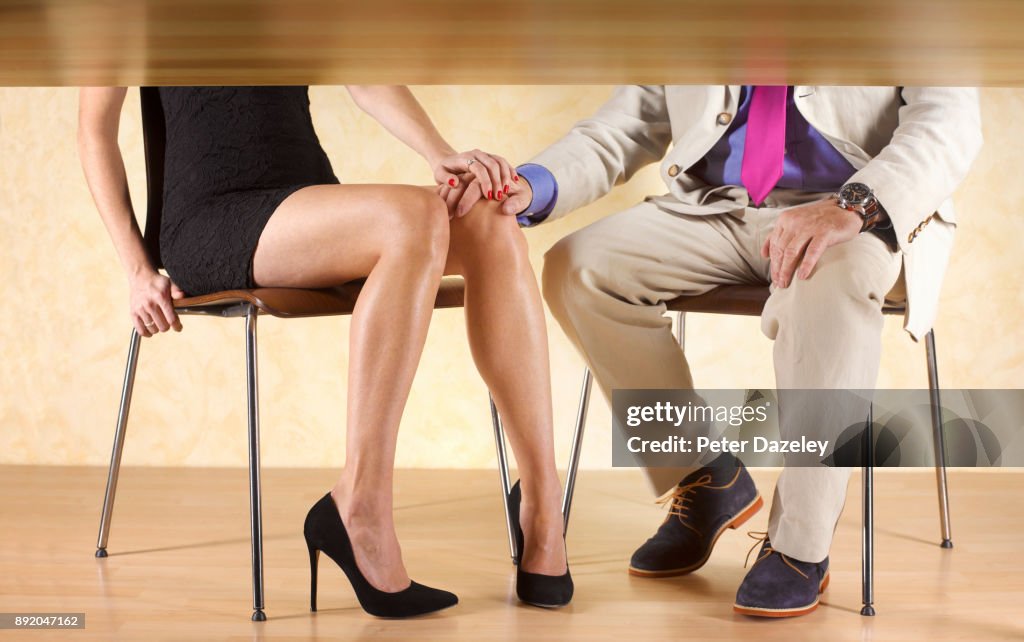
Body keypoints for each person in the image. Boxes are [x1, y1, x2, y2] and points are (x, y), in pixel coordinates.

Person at [450, 85, 982, 617]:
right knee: (580, 270)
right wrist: (531, 184)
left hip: (855, 212)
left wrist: (854, 205)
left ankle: (800, 546)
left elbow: (947, 120)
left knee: (829, 286)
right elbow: (629, 122)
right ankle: (705, 477)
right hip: (714, 207)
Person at [77, 85, 572, 617]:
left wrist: (439, 155)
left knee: (492, 218)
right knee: (409, 217)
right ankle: (359, 505)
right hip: (211, 218)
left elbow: (364, 73)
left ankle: (543, 507)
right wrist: (137, 270)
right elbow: (93, 127)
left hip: (311, 205)